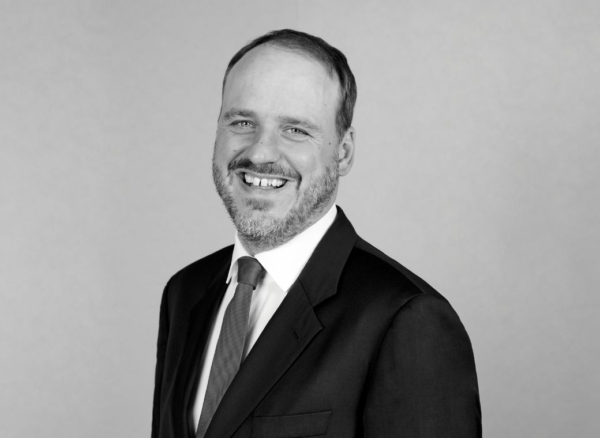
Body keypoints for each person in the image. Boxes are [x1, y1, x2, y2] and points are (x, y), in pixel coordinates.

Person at [151, 29, 481, 438]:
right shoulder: (185, 293)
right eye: (242, 122)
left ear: (343, 152)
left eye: (295, 130)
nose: (260, 152)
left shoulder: (407, 319)